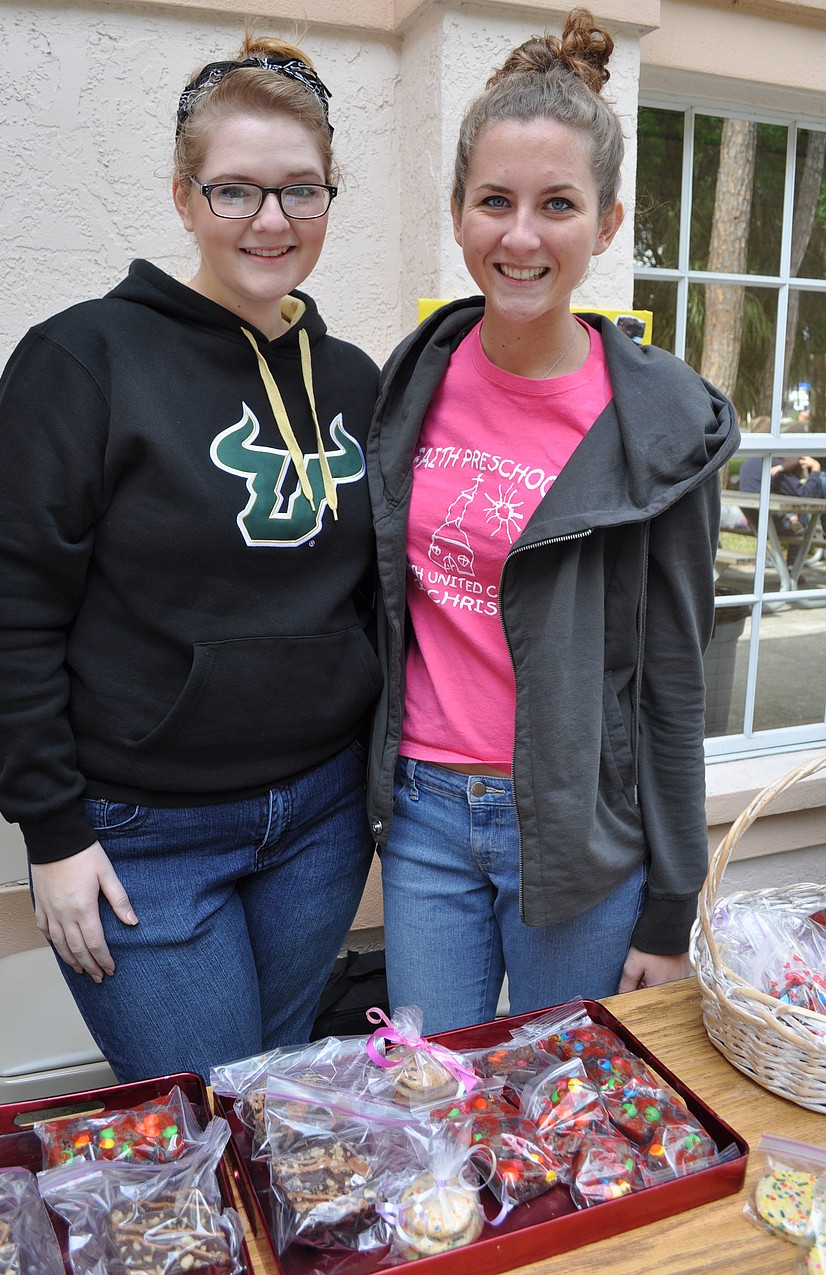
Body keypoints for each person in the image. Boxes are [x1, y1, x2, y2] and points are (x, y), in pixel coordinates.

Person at [0, 34, 381, 1081]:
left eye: (301, 191)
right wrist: (53, 836)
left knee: (277, 1082)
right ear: (184, 196)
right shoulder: (82, 359)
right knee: (207, 1109)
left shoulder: (352, 381)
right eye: (236, 190)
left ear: (329, 198)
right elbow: (8, 610)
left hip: (321, 817)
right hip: (142, 833)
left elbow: (371, 595)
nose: (272, 221)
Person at [367, 8, 739, 1034]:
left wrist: (671, 908)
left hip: (579, 833)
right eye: (493, 201)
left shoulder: (656, 427)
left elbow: (672, 678)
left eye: (556, 205)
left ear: (607, 225)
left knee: (558, 1112)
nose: (519, 236)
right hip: (427, 818)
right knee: (428, 1103)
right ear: (456, 214)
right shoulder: (411, 382)